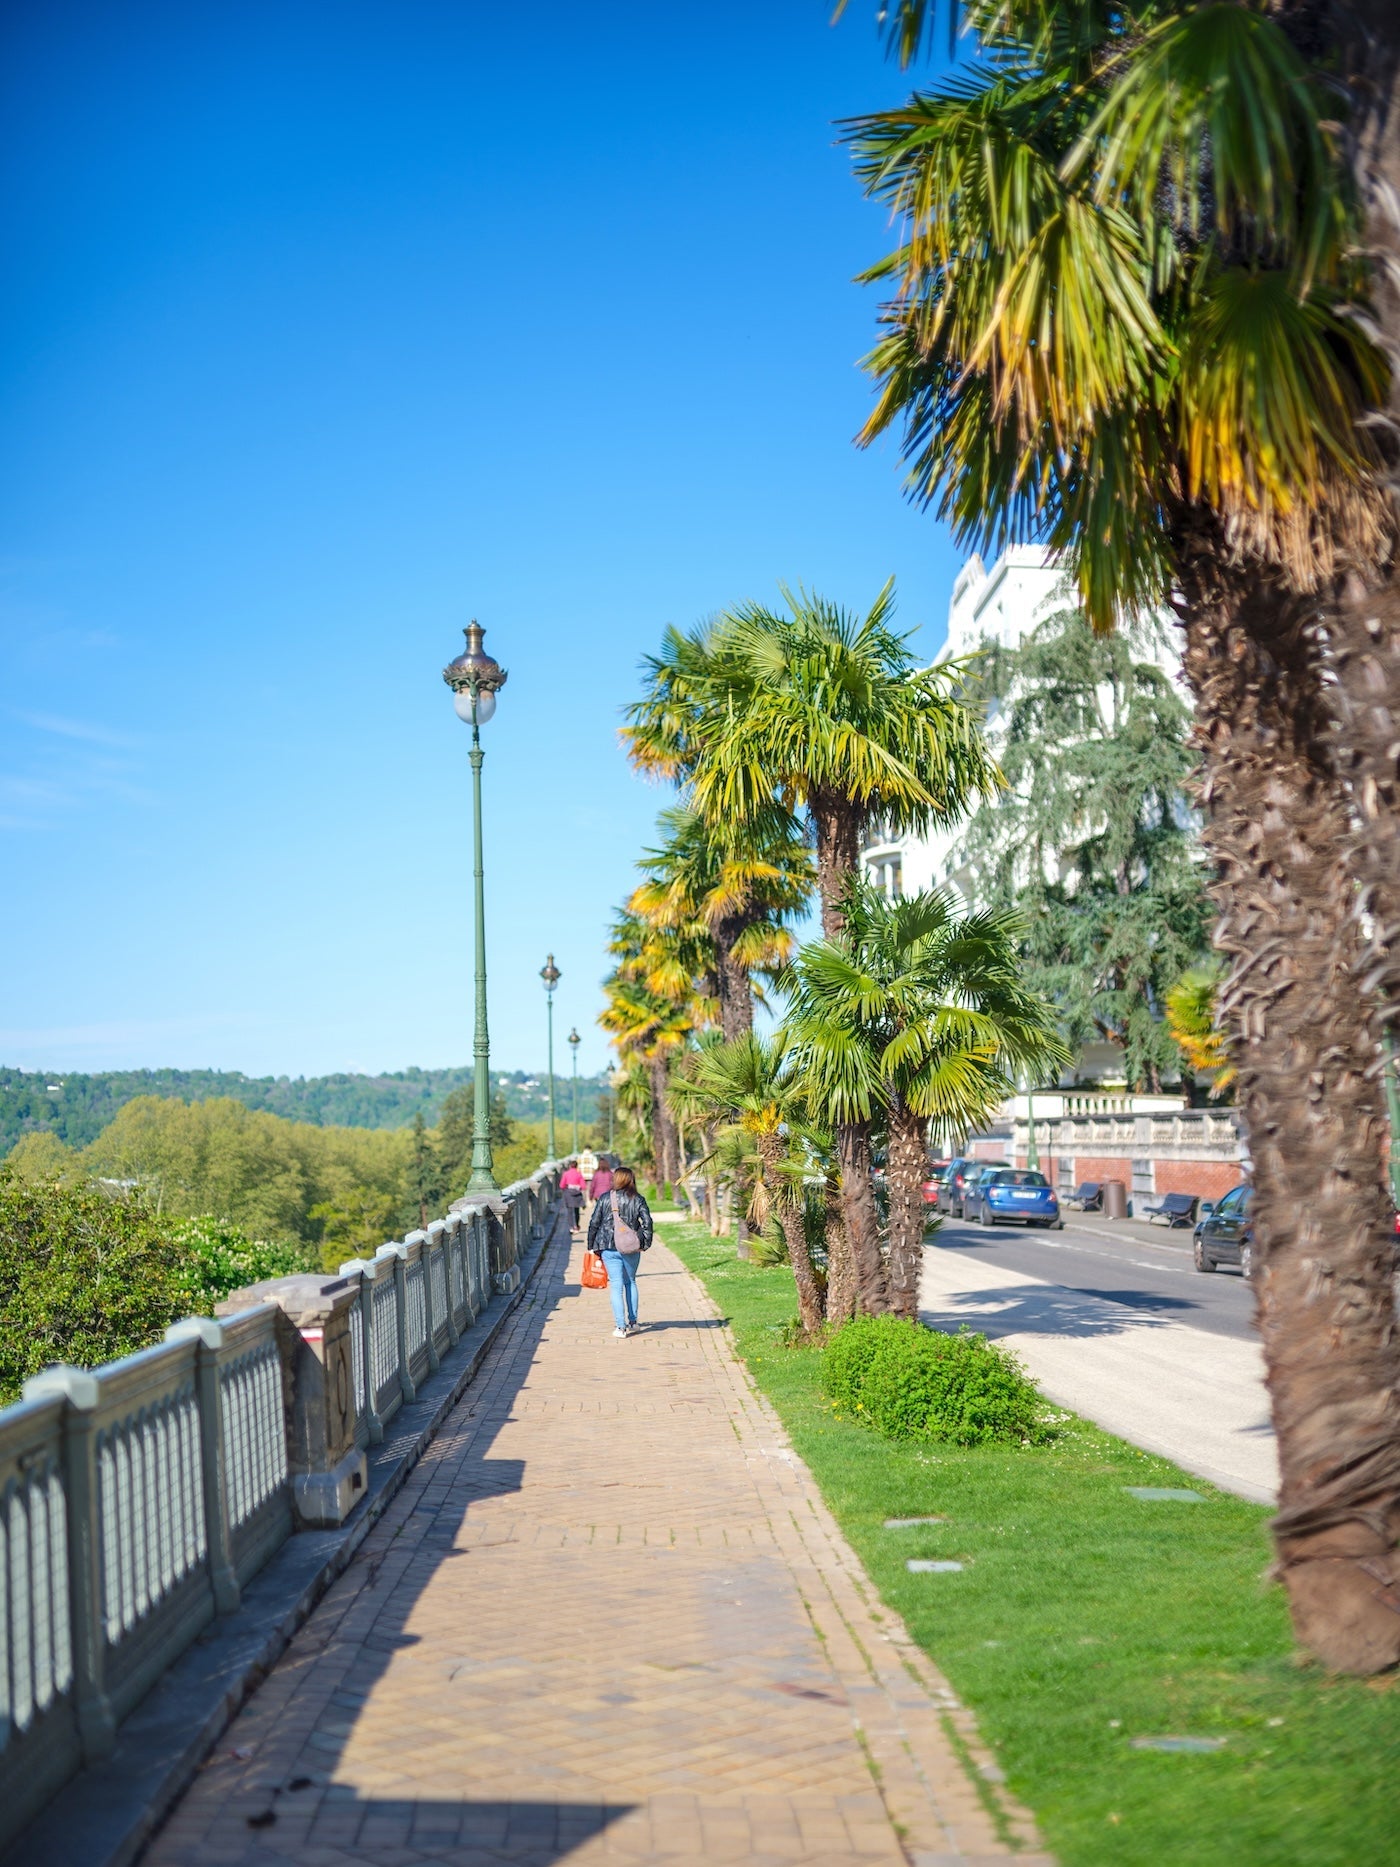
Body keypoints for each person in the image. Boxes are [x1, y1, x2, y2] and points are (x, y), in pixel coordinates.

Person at [586, 1165, 653, 1337]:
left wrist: (591, 1245)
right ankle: (633, 1321)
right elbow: (647, 1222)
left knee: (616, 1285)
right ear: (631, 1180)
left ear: (616, 1179)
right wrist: (645, 1243)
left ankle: (620, 1327)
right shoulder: (638, 1199)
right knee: (630, 1281)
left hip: (608, 1246)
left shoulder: (605, 1198)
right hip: (630, 1247)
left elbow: (594, 1222)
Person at [559, 1161, 586, 1234]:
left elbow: (561, 1185)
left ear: (570, 1166)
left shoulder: (566, 1174)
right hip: (577, 1194)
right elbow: (583, 1186)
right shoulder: (579, 1174)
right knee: (577, 1211)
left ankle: (571, 1227)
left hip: (568, 1194)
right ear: (577, 1166)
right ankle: (576, 1226)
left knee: (570, 1211)